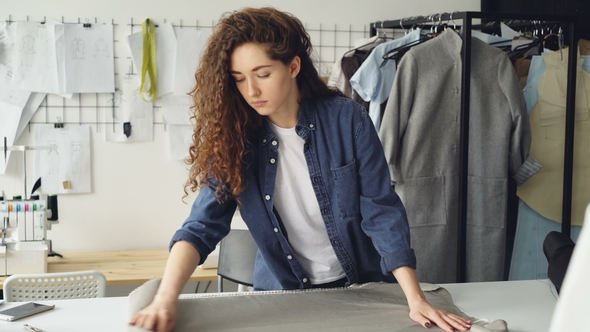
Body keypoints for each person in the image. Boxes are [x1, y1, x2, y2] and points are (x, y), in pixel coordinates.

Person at [129, 7, 472, 332]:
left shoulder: (347, 120)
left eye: (263, 74)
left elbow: (381, 211)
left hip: (357, 289)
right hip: (282, 294)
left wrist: (414, 299)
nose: (251, 91)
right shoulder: (236, 137)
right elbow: (201, 226)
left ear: (293, 66)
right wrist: (165, 299)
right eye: (239, 79)